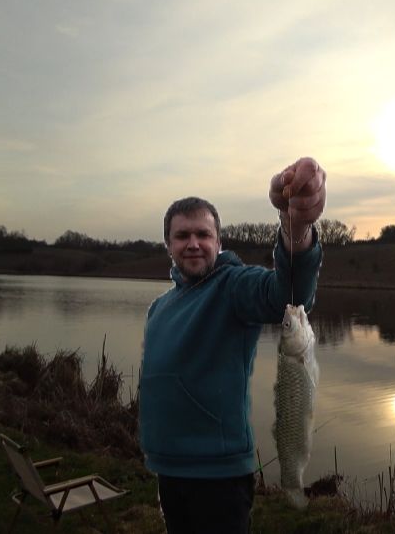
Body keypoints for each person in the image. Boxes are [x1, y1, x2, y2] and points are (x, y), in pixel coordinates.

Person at [138, 157, 327, 533]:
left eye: (203, 235)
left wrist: (297, 229)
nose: (193, 244)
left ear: (218, 242)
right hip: (167, 469)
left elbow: (284, 295)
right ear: (168, 245)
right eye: (182, 236)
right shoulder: (159, 307)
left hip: (218, 478)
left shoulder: (232, 287)